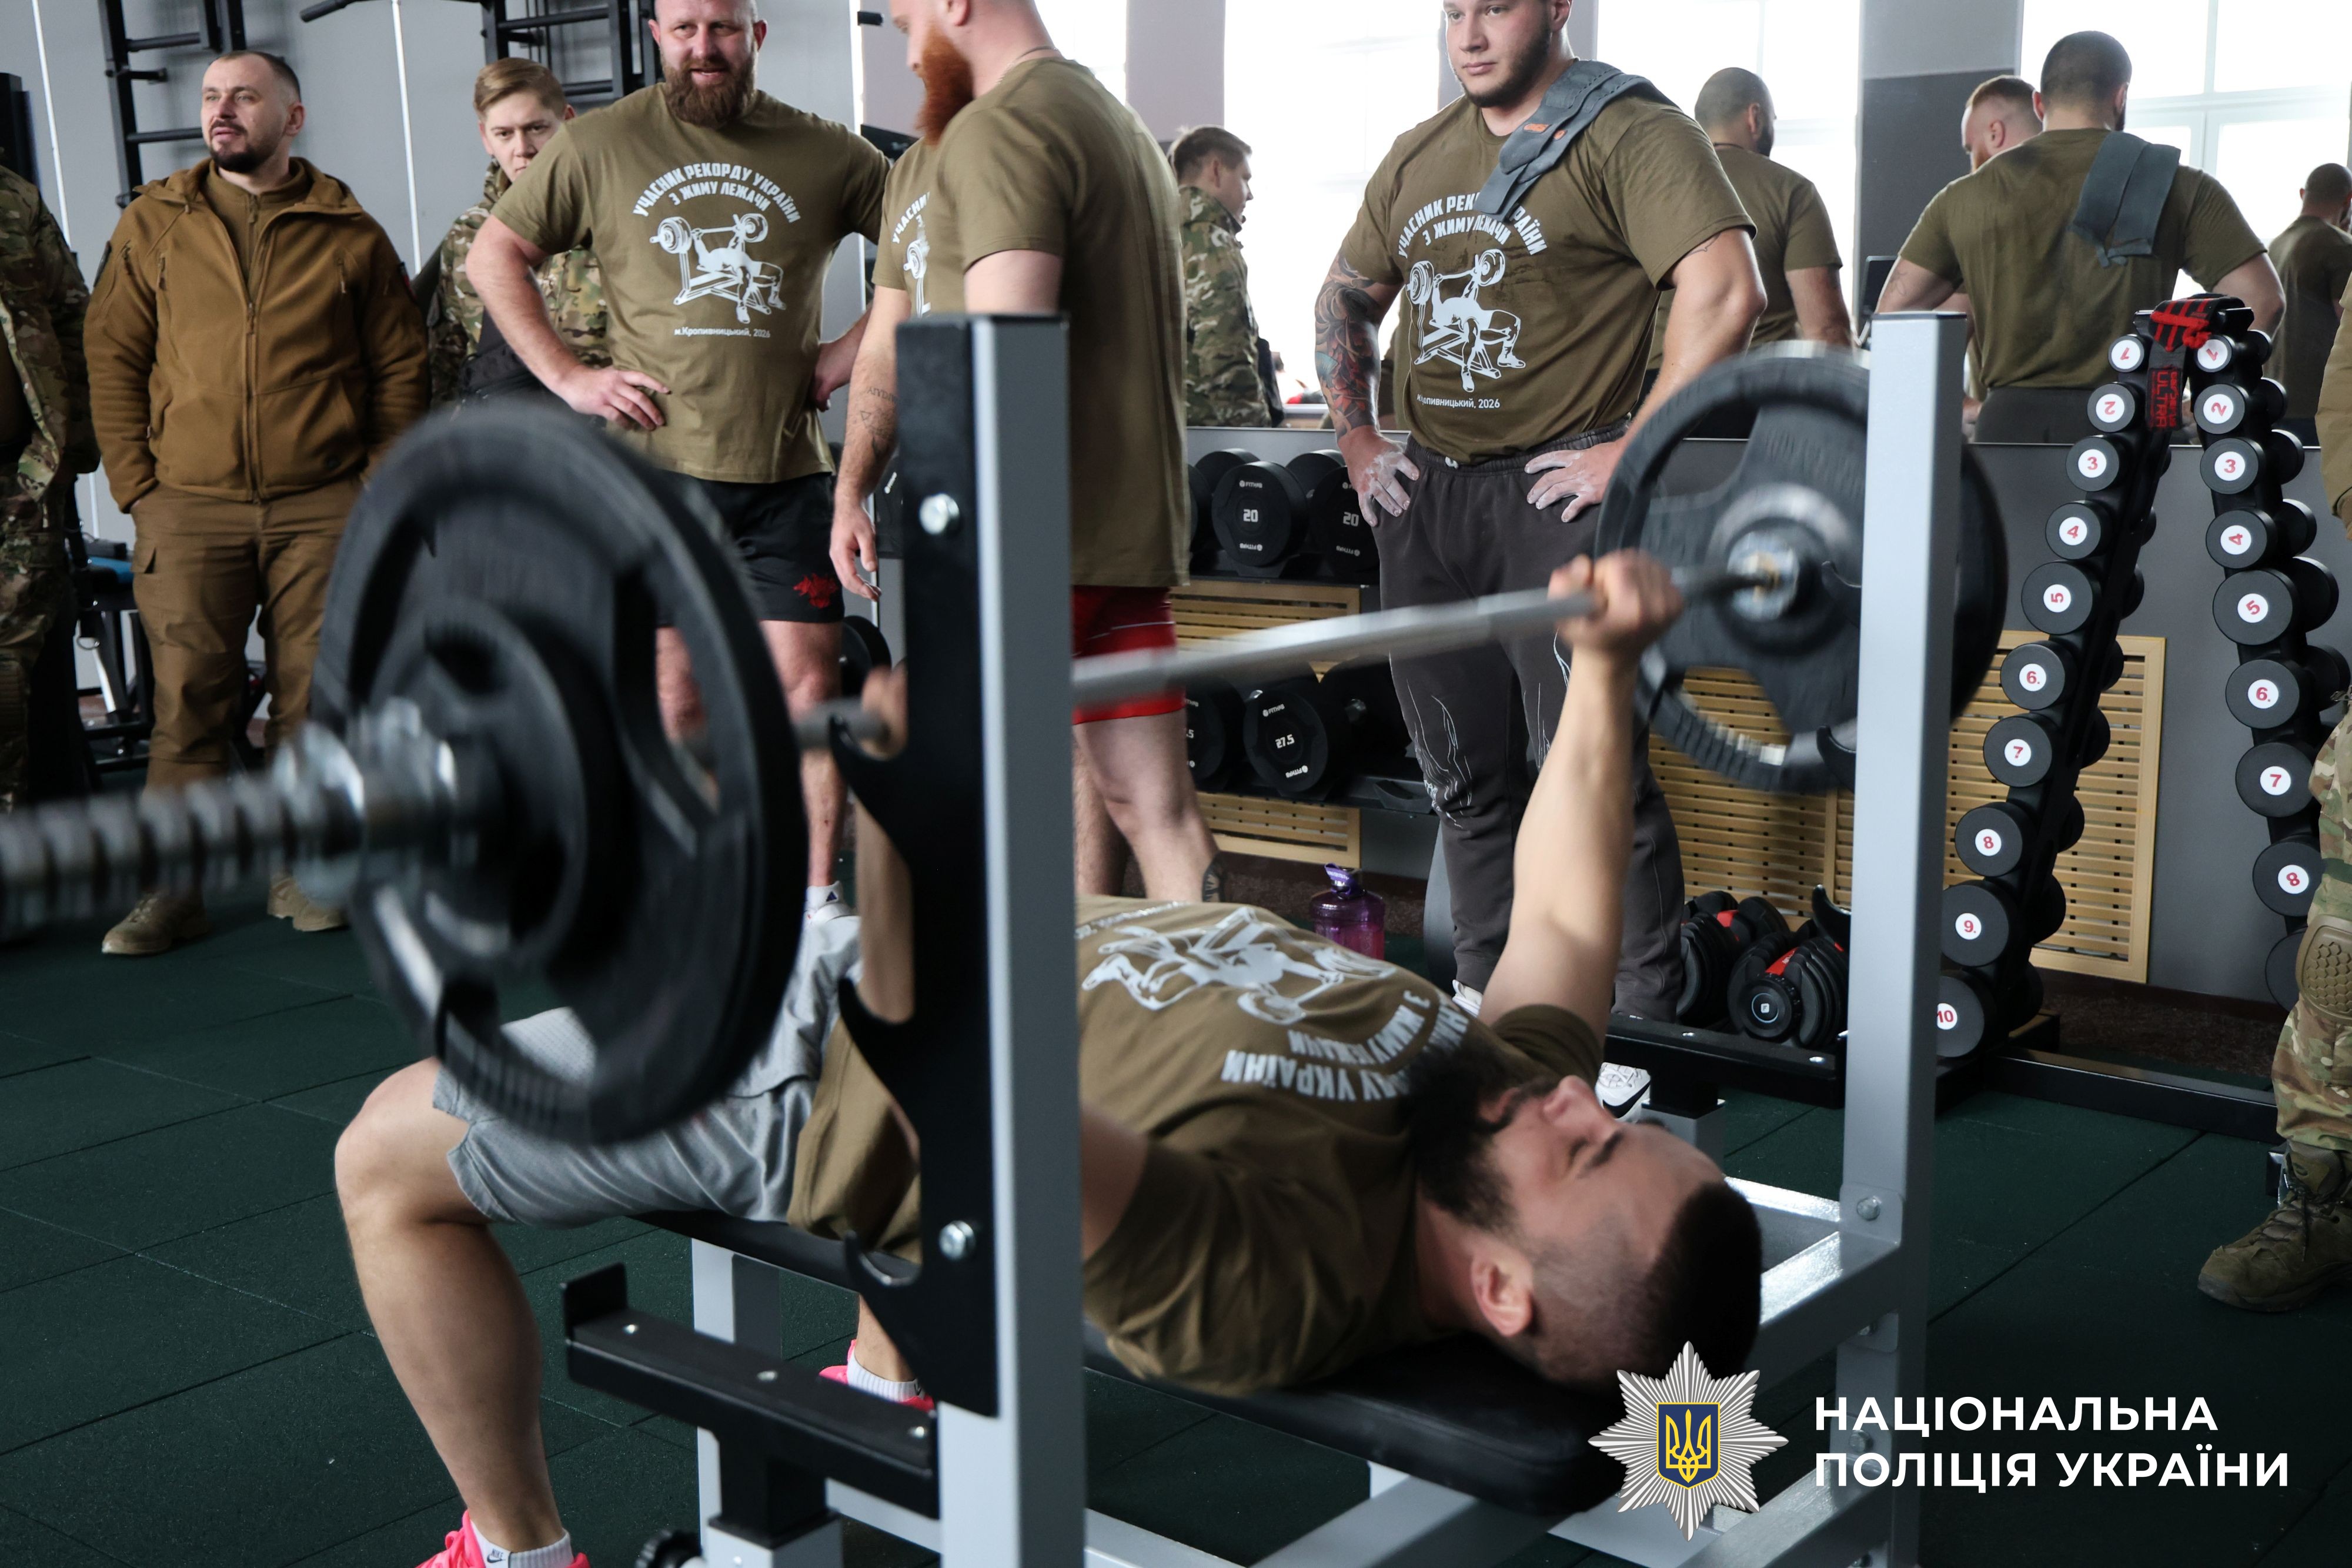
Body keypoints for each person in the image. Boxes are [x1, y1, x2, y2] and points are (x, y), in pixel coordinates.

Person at [333, 549, 1763, 1567]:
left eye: (1587, 1148)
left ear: (1502, 1291)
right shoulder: (1485, 1111)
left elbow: (989, 1098)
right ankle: (884, 1370)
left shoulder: (1279, 1274)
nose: (1579, 1099)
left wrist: (913, 806)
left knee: (384, 1160)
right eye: (1613, 1117)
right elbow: (1570, 915)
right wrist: (1603, 668)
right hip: (923, 946)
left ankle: (517, 1552)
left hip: (813, 1067)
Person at [1314, 0, 1763, 1018]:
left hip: (1554, 499)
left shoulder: (1630, 131)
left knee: (1599, 778)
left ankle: (1639, 1035)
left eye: (1497, 8)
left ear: (1558, 7)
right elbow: (1343, 297)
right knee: (1465, 785)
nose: (1469, 34)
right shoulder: (1418, 154)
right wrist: (1356, 436)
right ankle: (1486, 1006)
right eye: (1453, 12)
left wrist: (1631, 450)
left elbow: (1727, 287)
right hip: (1430, 502)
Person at [467, 0, 889, 922]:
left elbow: (924, 255)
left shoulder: (830, 152)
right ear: (659, 35)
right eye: (686, 28)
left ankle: (814, 903)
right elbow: (495, 257)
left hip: (786, 475)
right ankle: (704, 903)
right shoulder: (602, 143)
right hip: (658, 480)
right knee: (673, 702)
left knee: (808, 698)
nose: (706, 48)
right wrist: (570, 377)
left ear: (756, 37)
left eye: (724, 29)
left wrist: (850, 352)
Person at [828, 0, 1222, 906]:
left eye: (909, 28)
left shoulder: (999, 126)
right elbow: (895, 338)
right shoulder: (1115, 125)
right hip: (1124, 539)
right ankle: (1204, 1032)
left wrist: (964, 560)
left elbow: (1003, 359)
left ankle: (997, 1040)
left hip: (1026, 543)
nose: (912, 55)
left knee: (922, 790)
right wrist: (860, 484)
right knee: (1154, 808)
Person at [85, 49, 428, 954]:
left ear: (293, 116)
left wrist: (377, 486)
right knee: (188, 700)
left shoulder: (349, 231)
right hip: (187, 507)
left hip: (325, 505)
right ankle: (173, 892)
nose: (221, 111)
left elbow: (399, 368)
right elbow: (112, 356)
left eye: (243, 96)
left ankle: (307, 869)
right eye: (210, 98)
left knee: (316, 700)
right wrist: (139, 488)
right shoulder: (154, 222)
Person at [1876, 30, 2281, 444]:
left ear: (2040, 103)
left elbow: (1893, 314)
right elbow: (2263, 300)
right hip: (2128, 423)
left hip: (2008, 426)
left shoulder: (1964, 196)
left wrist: (1940, 404)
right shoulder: (2177, 183)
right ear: (2121, 97)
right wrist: (2202, 398)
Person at [426, 59, 609, 409]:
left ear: (569, 123)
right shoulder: (468, 234)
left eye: (537, 128)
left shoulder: (614, 219)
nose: (522, 148)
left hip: (604, 438)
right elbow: (448, 356)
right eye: (504, 134)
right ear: (486, 138)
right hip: (507, 438)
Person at [1649, 66, 1848, 385]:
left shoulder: (1651, 191)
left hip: (1658, 396)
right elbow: (1825, 330)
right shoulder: (1792, 191)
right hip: (1755, 396)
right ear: (1755, 117)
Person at [0, 169, 98, 816]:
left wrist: (73, 447)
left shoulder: (12, 198)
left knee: (9, 683)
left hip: (19, 483)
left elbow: (73, 320)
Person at [1950, 76, 2043, 434]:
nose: (1972, 162)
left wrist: (1966, 408)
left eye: (1970, 149)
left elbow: (1927, 350)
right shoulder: (2099, 206)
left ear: (1994, 134)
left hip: (2007, 432)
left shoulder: (1977, 221)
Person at [1171, 124, 1278, 428]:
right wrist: (1256, 438)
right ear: (1216, 172)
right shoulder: (1212, 243)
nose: (1251, 194)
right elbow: (1226, 357)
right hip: (1213, 433)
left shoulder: (1158, 235)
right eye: (1245, 178)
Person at [2269, 163, 2352, 441]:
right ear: (2348, 200)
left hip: (2274, 399)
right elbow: (2347, 321)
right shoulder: (2339, 245)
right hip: (2317, 404)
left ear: (2304, 193)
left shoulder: (2276, 246)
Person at [1960, 74, 2041, 172]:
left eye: (1972, 150)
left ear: (1995, 134)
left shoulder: (1970, 187)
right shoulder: (2062, 177)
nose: (1972, 170)